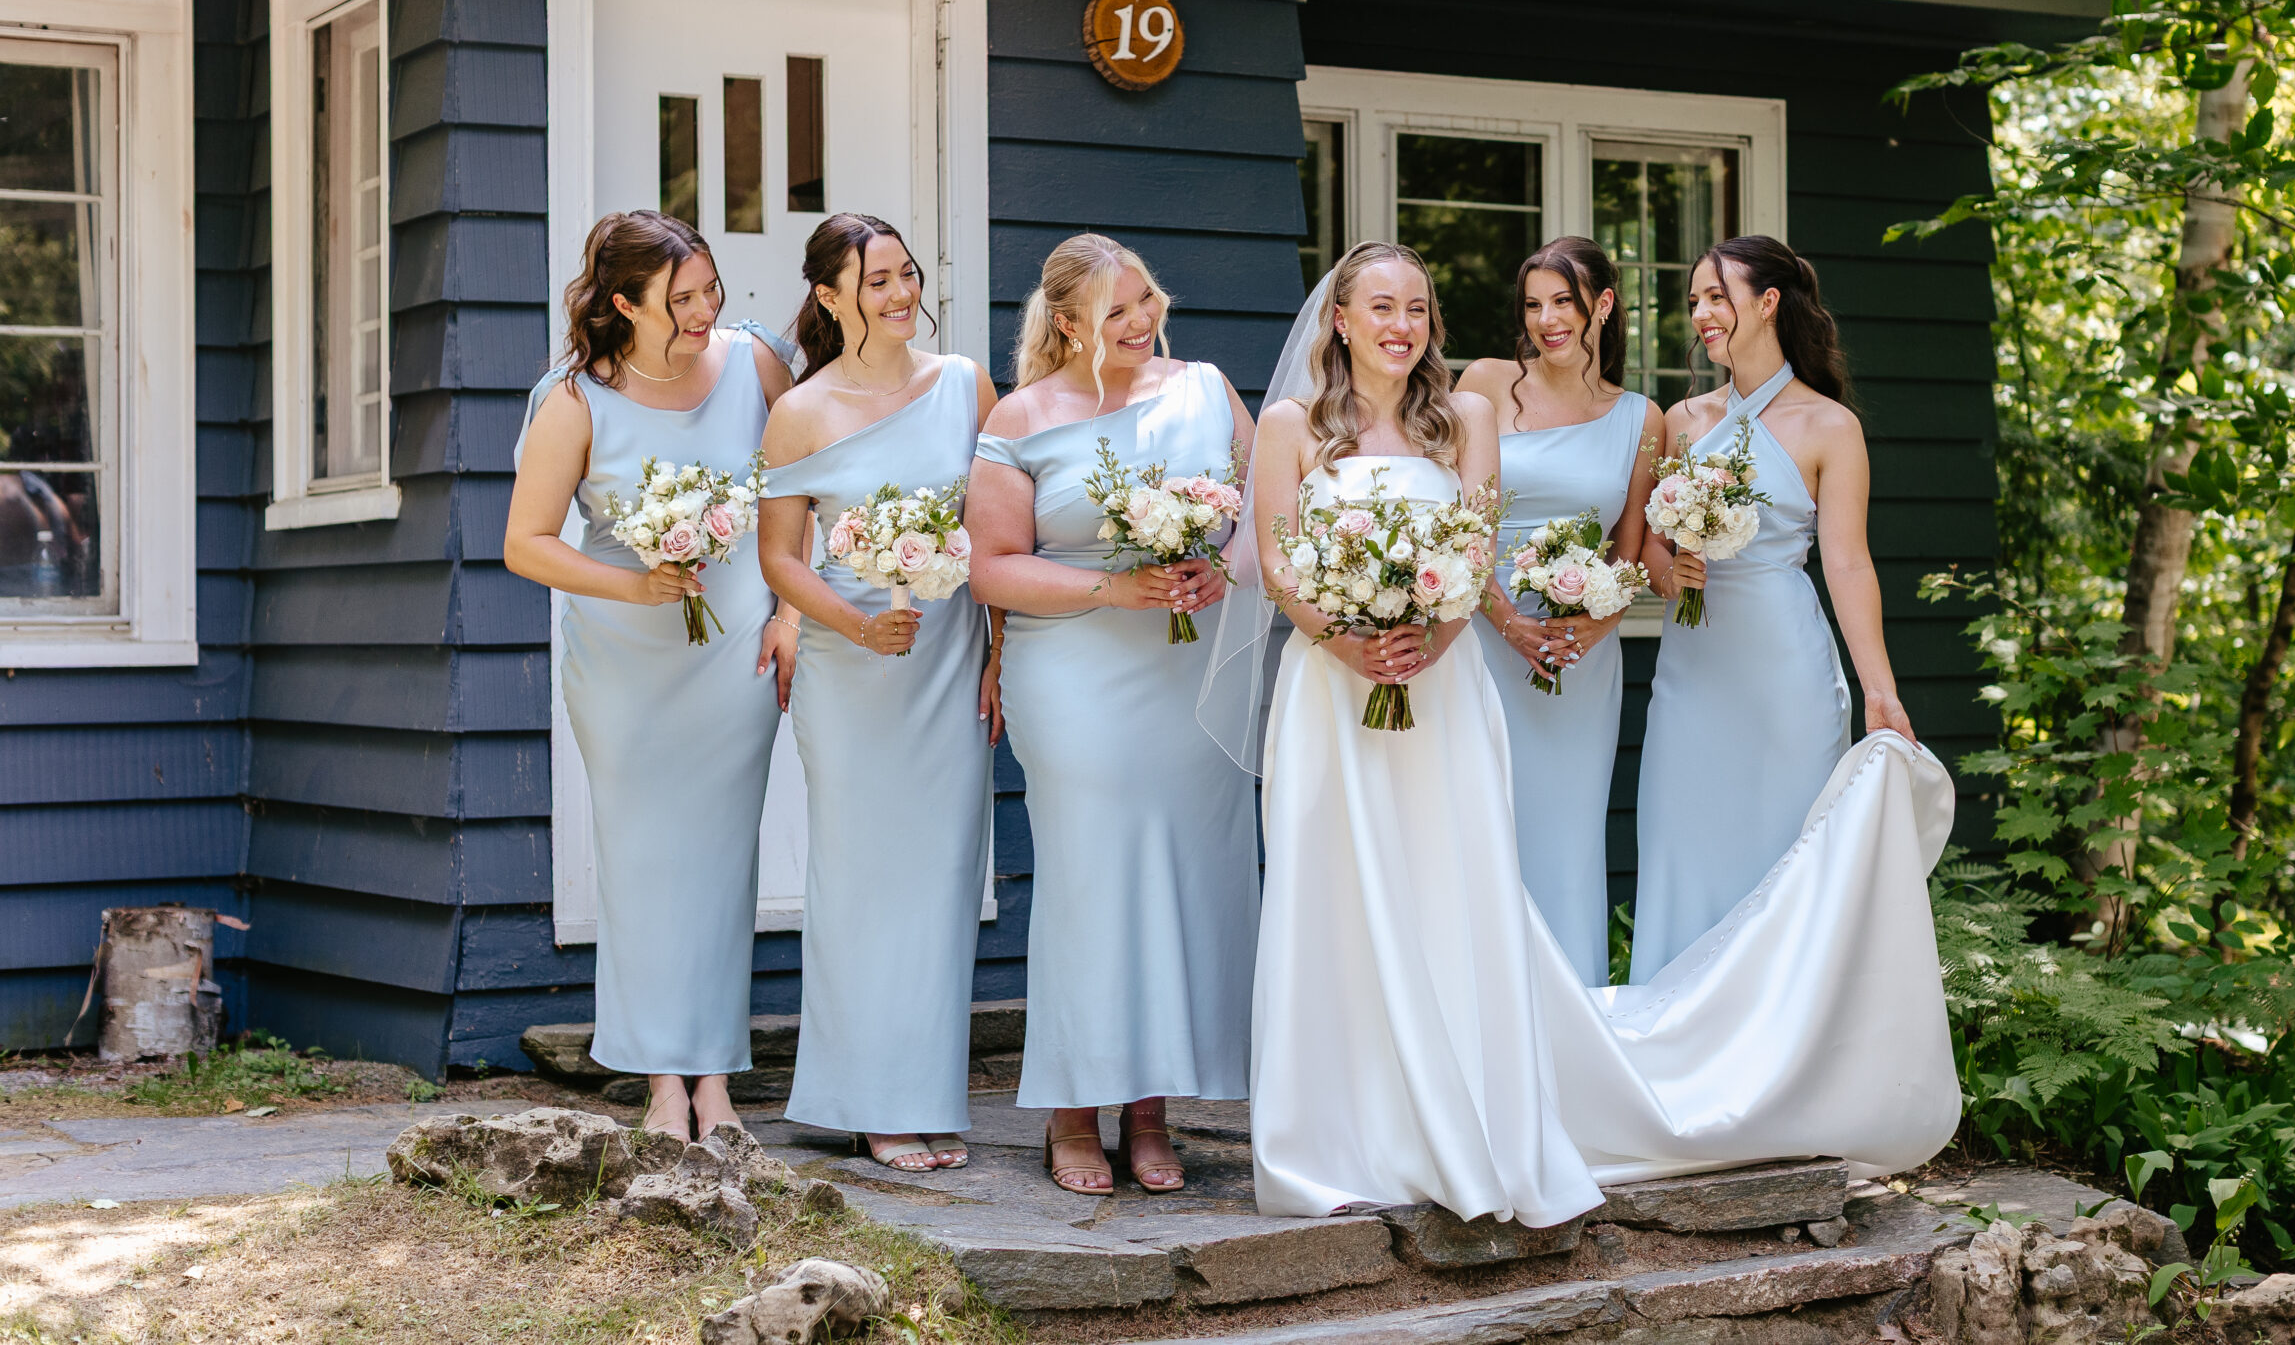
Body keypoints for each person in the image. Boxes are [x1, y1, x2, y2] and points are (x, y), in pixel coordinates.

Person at [1233, 240, 1958, 1227]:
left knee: (1480, 873)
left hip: (1482, 672)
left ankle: (1727, 1064)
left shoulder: (1535, 420)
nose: (1401, 325)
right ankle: (1343, 1119)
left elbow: (1490, 544)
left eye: (1417, 307)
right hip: (1350, 684)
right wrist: (1355, 637)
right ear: (1343, 322)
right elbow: (1284, 562)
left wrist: (1451, 630)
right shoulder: (1318, 422)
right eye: (1381, 307)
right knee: (1341, 888)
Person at [967, 233, 1258, 1195]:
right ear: (1066, 323)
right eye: (1117, 310)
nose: (1141, 323)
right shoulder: (1022, 417)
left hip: (1190, 674)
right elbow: (992, 564)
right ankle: (1071, 1112)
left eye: (1147, 301)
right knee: (1093, 880)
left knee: (1182, 876)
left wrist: (1221, 563)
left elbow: (1266, 511)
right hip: (1077, 668)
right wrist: (1110, 593)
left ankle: (1151, 1110)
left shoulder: (1205, 389)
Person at [505, 211, 798, 1141]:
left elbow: (804, 491)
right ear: (625, 304)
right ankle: (661, 1080)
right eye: (681, 300)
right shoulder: (575, 400)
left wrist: (791, 609)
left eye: (711, 289)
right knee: (641, 864)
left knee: (721, 859)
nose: (707, 310)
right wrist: (636, 582)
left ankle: (715, 1075)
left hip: (733, 649)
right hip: (625, 660)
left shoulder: (755, 365)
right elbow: (527, 544)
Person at [758, 214, 1000, 1174]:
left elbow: (999, 528)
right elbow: (779, 555)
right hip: (850, 662)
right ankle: (869, 1102)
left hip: (947, 654)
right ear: (830, 296)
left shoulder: (966, 384)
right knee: (860, 878)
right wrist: (855, 623)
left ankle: (925, 1094)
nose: (901, 295)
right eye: (878, 281)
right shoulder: (801, 412)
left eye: (907, 275)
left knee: (943, 876)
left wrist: (999, 650)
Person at [1631, 236, 1914, 982]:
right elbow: (1648, 552)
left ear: (1768, 303)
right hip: (1693, 676)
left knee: (1784, 857)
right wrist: (1670, 570)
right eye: (1693, 300)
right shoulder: (1682, 420)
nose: (1700, 313)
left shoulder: (1830, 427)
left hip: (1784, 675)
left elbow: (1848, 563)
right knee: (1682, 845)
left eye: (1716, 296)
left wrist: (1880, 688)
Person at [1456, 239, 1663, 983]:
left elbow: (1629, 554)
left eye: (1563, 303)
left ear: (1602, 305)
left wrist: (1594, 622)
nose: (1546, 320)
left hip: (1578, 661)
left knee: (1568, 833)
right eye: (1534, 303)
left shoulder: (1641, 418)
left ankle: (1567, 1026)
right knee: (1478, 824)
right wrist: (1506, 619)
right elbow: (1455, 521)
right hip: (1478, 637)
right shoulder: (1483, 385)